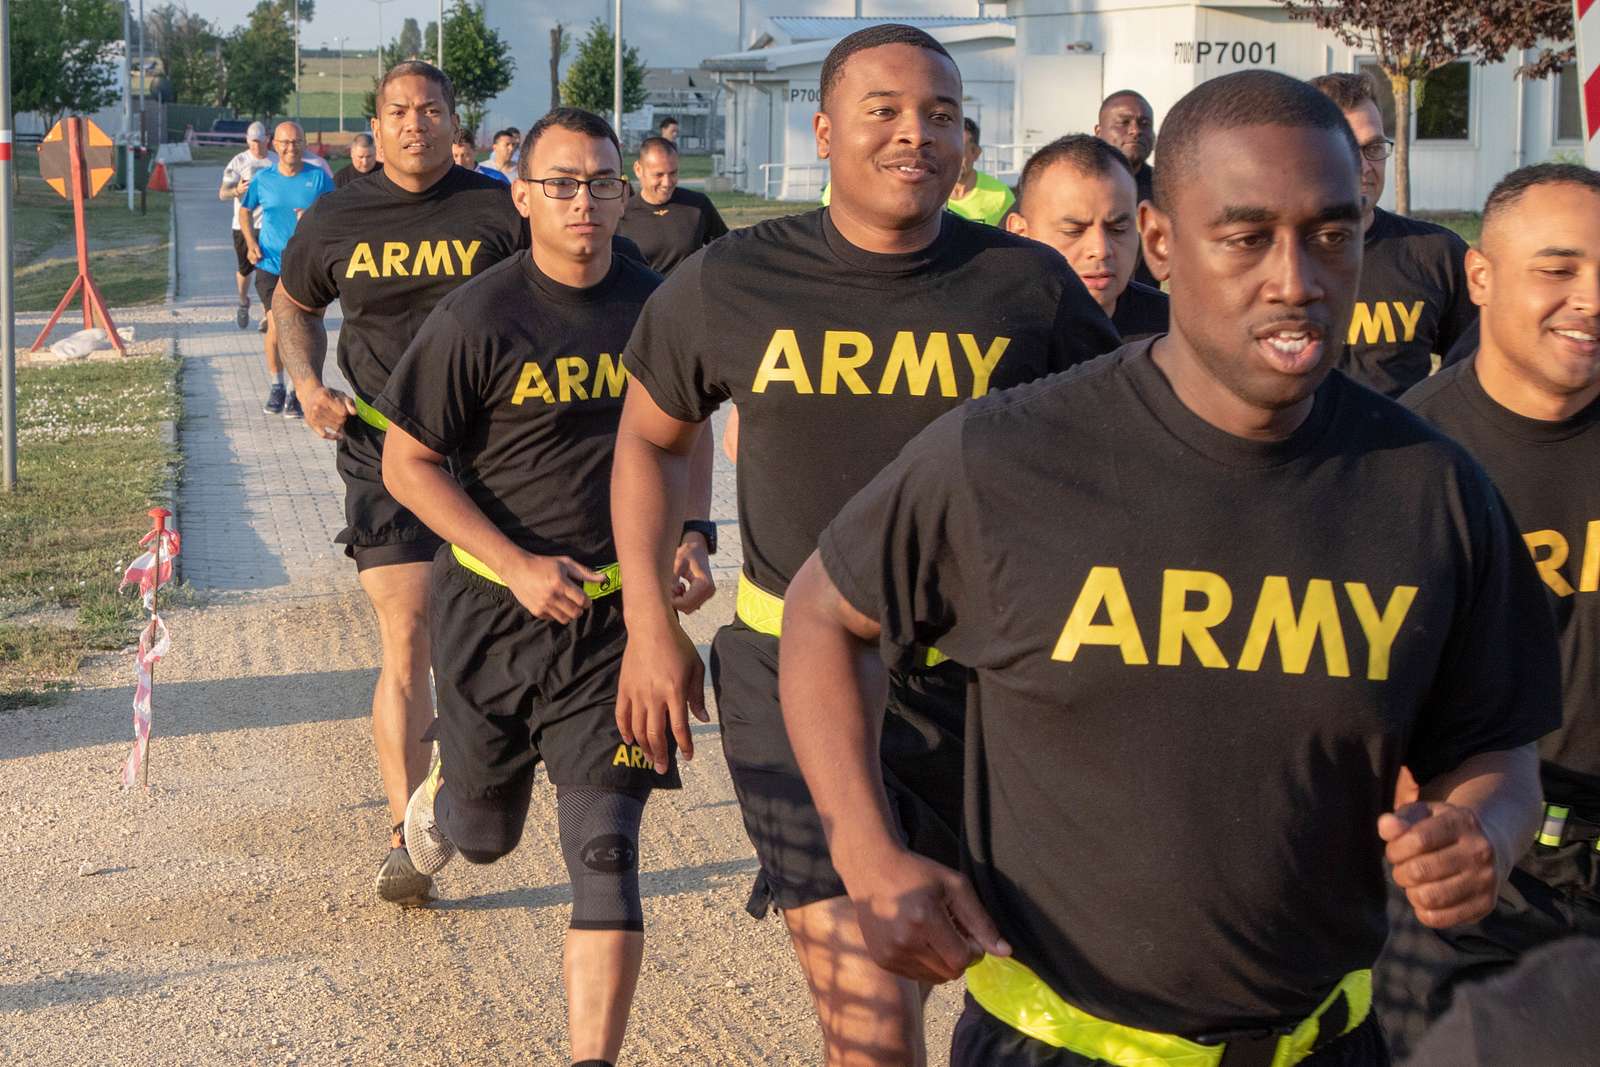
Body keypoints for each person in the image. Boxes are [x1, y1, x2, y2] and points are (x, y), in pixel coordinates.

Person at [777, 69, 1559, 1067]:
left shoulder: (1432, 488)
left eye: (1332, 232)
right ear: (1160, 242)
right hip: (1051, 1044)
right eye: (1244, 237)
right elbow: (821, 614)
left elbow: (1499, 746)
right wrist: (863, 845)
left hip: (1326, 1043)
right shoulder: (1004, 456)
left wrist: (1482, 828)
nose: (1296, 277)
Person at [610, 24, 1117, 1064]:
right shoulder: (732, 281)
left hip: (993, 687)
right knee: (876, 1026)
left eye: (939, 114)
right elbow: (651, 441)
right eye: (883, 110)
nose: (914, 134)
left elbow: (1120, 461)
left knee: (1006, 980)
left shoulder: (1028, 287)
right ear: (824, 131)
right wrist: (646, 626)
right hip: (792, 674)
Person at [380, 107, 713, 1067]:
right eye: (562, 183)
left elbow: (682, 439)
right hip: (493, 610)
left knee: (607, 851)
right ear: (520, 194)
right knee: (483, 837)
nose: (585, 203)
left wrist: (691, 533)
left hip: (618, 620)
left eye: (602, 183)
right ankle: (440, 805)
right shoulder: (476, 317)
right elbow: (408, 464)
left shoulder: (660, 307)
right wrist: (518, 564)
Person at [273, 61, 526, 907]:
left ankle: (472, 764)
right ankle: (406, 833)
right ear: (373, 128)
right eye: (398, 111)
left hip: (491, 450)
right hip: (380, 446)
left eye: (431, 109)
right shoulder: (337, 213)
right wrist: (309, 389)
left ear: (457, 120)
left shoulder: (498, 207)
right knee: (408, 630)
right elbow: (293, 303)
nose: (415, 123)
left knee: (489, 637)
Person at [1375, 163, 1600, 1059]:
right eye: (1558, 268)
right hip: (1471, 891)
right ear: (1479, 275)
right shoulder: (1395, 464)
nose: (1590, 298)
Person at [1310, 73, 1477, 397]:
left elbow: (1475, 375)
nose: (1363, 166)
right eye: (1343, 147)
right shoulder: (1269, 259)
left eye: (1373, 147)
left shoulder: (1435, 256)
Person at [1004, 134, 1167, 340]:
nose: (1100, 250)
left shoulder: (1177, 336)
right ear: (1019, 234)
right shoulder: (982, 334)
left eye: (1118, 229)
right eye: (1074, 231)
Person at [238, 122, 334, 420]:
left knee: (303, 327)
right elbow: (244, 210)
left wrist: (313, 218)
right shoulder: (262, 179)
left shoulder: (318, 177)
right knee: (277, 326)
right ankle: (277, 385)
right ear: (273, 145)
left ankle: (296, 390)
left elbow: (335, 212)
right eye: (285, 142)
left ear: (305, 144)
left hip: (305, 265)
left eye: (296, 142)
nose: (291, 147)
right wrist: (251, 243)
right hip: (270, 263)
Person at [617, 136, 729, 275]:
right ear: (638, 169)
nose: (667, 182)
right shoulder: (621, 214)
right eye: (659, 175)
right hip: (645, 296)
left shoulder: (697, 205)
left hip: (688, 294)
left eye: (673, 173)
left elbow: (726, 249)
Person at [1094, 89, 1158, 288]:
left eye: (1144, 124)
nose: (1135, 130)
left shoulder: (1168, 188)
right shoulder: (1071, 184)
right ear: (1098, 132)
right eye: (1123, 122)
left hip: (1145, 312)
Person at [219, 121, 277, 330]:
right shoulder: (238, 161)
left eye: (260, 143)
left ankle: (267, 313)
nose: (256, 148)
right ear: (247, 141)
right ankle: (243, 301)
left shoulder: (275, 161)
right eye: (252, 143)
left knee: (267, 269)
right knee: (245, 270)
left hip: (269, 225)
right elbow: (222, 193)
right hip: (243, 225)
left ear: (267, 140)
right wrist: (237, 191)